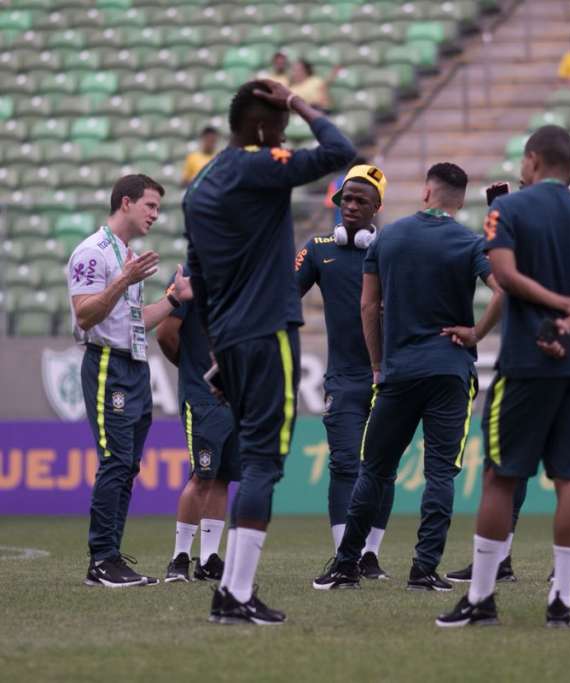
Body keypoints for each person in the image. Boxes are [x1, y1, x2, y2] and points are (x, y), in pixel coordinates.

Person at [436, 126, 570, 629]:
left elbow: (503, 275)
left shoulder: (509, 211)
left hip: (527, 363)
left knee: (501, 476)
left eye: (524, 161)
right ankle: (561, 601)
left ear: (536, 160)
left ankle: (480, 598)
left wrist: (558, 305)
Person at [185, 79, 355, 624]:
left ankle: (230, 591)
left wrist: (217, 353)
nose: (283, 136)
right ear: (263, 129)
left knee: (255, 459)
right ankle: (235, 594)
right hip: (265, 330)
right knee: (263, 463)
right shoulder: (255, 165)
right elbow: (339, 153)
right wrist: (300, 104)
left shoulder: (200, 184)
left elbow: (200, 280)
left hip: (232, 336)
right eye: (279, 128)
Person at [314, 163, 503, 592]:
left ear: (425, 192)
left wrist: (378, 364)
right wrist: (476, 332)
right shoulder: (469, 242)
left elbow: (368, 308)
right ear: (461, 198)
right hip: (451, 371)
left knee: (374, 469)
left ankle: (345, 566)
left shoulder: (389, 238)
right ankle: (423, 569)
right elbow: (505, 288)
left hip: (398, 373)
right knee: (440, 474)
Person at [69, 174, 193, 587]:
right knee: (116, 461)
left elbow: (134, 322)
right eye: (151, 206)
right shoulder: (93, 252)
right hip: (108, 364)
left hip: (135, 365)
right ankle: (101, 559)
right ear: (126, 202)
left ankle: (111, 556)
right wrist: (124, 280)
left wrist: (174, 298)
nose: (156, 215)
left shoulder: (125, 253)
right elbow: (85, 314)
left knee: (128, 465)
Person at [298, 164, 397, 581]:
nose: (350, 207)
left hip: (388, 377)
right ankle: (345, 556)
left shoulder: (393, 249)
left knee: (383, 467)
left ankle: (369, 555)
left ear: (376, 207)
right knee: (344, 465)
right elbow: (286, 294)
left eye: (360, 201)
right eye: (345, 200)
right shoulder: (319, 248)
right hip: (342, 377)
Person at [157, 266, 240, 583]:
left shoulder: (243, 274)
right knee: (202, 476)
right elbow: (165, 332)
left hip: (236, 396)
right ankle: (179, 558)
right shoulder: (190, 274)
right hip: (203, 397)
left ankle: (208, 559)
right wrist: (190, 366)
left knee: (221, 477)